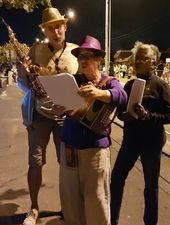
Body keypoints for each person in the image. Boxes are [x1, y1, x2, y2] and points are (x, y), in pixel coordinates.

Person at [17, 7, 79, 225]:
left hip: (67, 118)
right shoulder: (36, 49)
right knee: (35, 163)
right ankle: (34, 208)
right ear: (45, 31)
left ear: (65, 27)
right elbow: (23, 86)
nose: (55, 32)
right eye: (50, 28)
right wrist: (22, 73)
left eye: (58, 27)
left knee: (68, 164)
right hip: (39, 116)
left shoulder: (77, 52)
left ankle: (67, 207)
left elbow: (82, 84)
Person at [57, 35, 127, 225]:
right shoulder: (72, 80)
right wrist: (60, 107)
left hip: (95, 153)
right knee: (71, 203)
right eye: (81, 56)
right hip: (69, 149)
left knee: (97, 202)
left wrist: (100, 93)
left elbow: (122, 97)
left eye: (89, 56)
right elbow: (64, 108)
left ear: (99, 59)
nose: (84, 60)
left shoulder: (109, 82)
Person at [110, 41, 170, 225]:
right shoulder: (129, 84)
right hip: (130, 141)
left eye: (143, 58)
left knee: (150, 187)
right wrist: (124, 115)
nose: (137, 61)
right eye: (136, 58)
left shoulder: (160, 85)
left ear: (154, 63)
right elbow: (121, 113)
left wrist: (147, 115)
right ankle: (112, 219)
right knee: (116, 179)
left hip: (151, 143)